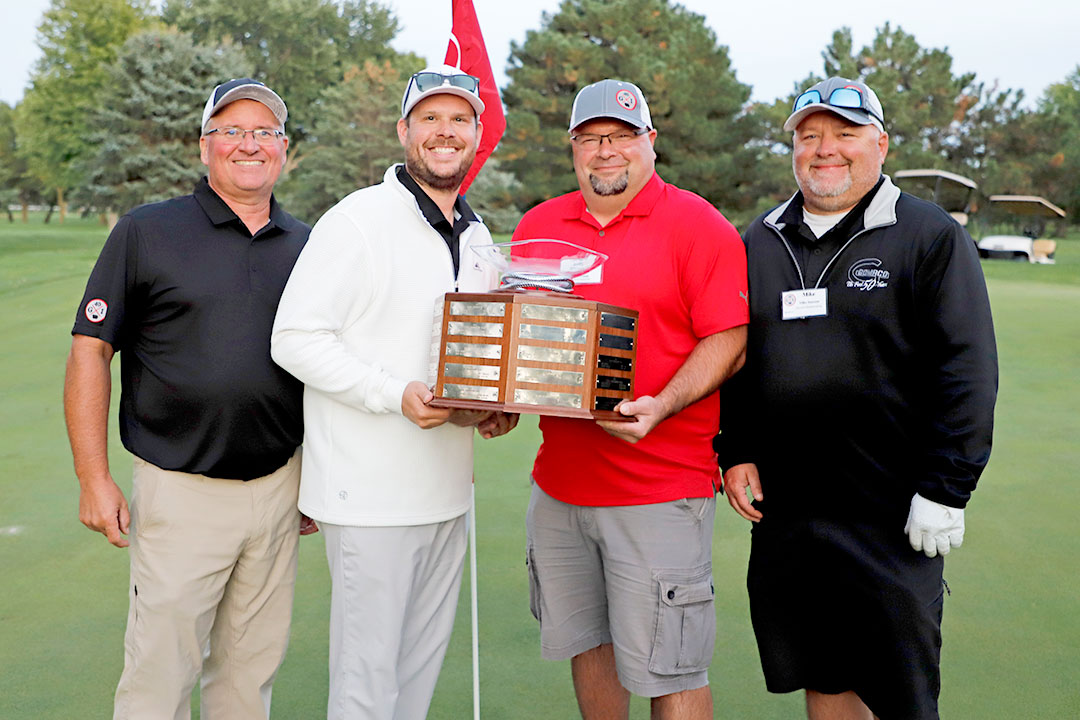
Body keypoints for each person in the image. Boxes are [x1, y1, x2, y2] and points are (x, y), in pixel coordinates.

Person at [715, 77, 998, 720]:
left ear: (880, 143)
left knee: (900, 689)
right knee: (824, 672)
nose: (825, 150)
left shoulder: (927, 235)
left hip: (892, 509)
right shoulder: (759, 238)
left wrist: (947, 488)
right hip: (792, 512)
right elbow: (736, 359)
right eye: (810, 135)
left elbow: (968, 369)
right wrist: (736, 449)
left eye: (844, 133)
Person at [270, 64, 516, 720]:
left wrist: (492, 406)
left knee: (414, 683)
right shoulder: (357, 220)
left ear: (476, 132)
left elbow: (475, 350)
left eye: (459, 119)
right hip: (370, 498)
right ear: (403, 130)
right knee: (367, 686)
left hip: (445, 491)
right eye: (430, 118)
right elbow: (294, 338)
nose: (445, 131)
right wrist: (393, 393)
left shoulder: (477, 233)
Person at [64, 78, 313, 719]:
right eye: (231, 130)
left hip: (281, 489)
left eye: (264, 132)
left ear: (284, 149)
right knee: (159, 678)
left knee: (248, 677)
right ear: (204, 147)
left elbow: (324, 368)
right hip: (182, 491)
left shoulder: (309, 245)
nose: (248, 144)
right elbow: (91, 350)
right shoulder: (148, 231)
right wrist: (94, 477)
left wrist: (321, 478)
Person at [510, 79, 749, 719]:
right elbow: (525, 337)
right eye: (590, 139)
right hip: (559, 488)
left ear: (650, 143)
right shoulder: (539, 225)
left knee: (671, 667)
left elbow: (729, 339)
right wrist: (501, 400)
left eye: (620, 137)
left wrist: (663, 404)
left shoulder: (699, 225)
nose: (605, 151)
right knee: (589, 649)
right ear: (573, 149)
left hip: (660, 490)